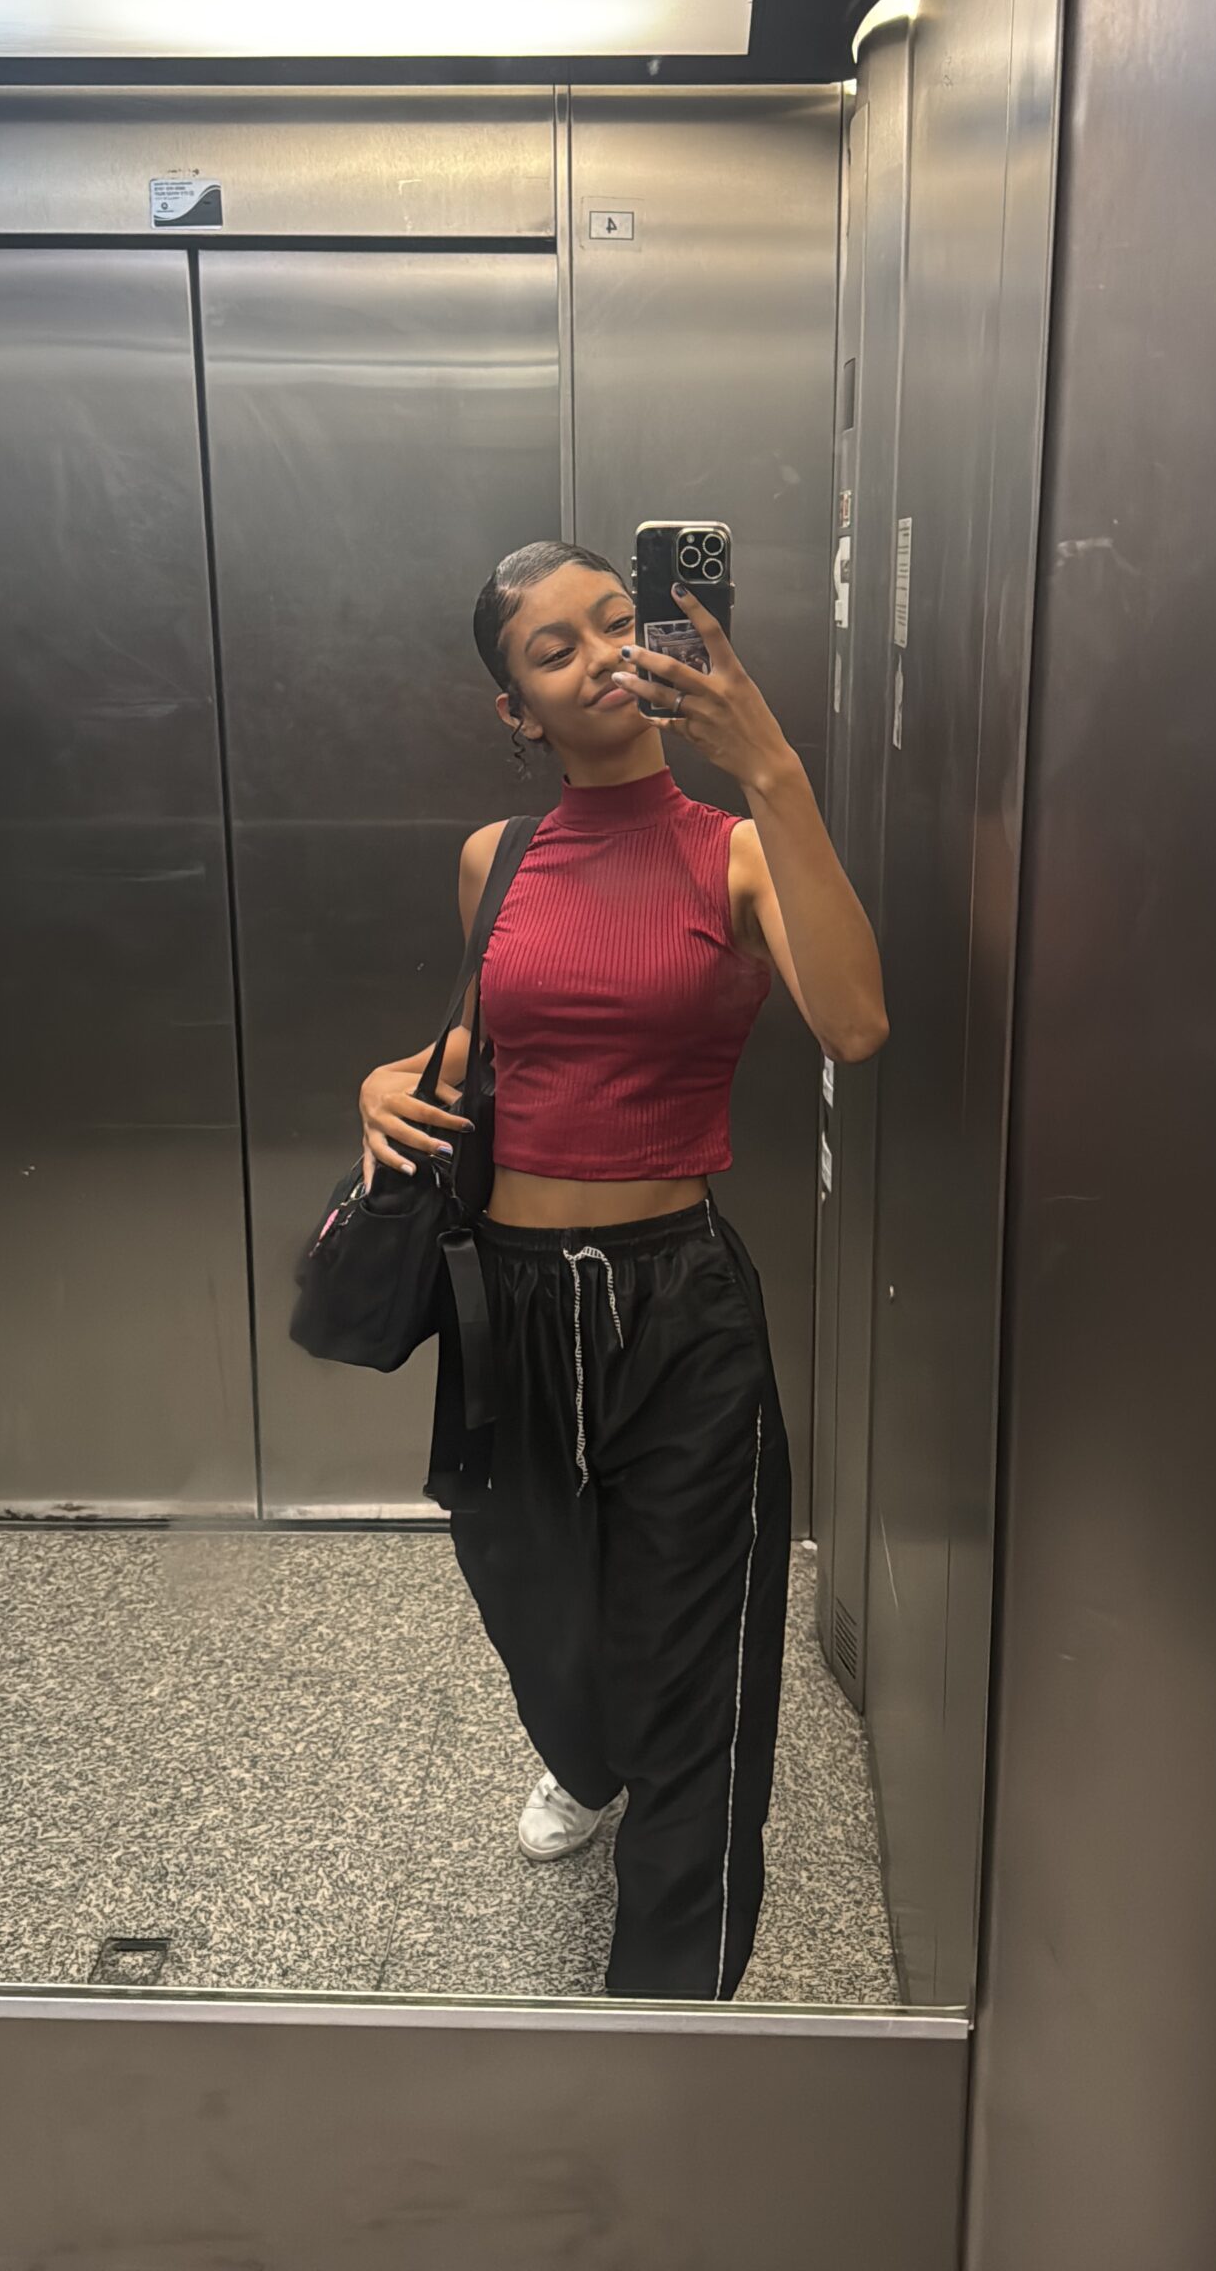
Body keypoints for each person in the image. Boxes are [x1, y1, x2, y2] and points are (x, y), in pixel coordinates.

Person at [359, 540, 887, 2000]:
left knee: (704, 1676)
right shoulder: (497, 858)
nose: (600, 655)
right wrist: (389, 1079)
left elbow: (855, 1024)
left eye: (616, 621)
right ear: (517, 710)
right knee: (535, 1610)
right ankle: (586, 1759)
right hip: (508, 1305)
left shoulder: (737, 846)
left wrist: (773, 766)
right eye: (554, 648)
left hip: (679, 1305)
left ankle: (668, 2022)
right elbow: (505, 1047)